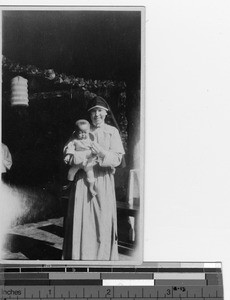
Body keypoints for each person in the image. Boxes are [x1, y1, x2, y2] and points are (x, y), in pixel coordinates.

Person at [62, 96, 125, 260]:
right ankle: (79, 257)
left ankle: (101, 258)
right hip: (82, 180)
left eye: (100, 111)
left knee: (101, 218)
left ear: (105, 113)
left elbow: (117, 159)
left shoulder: (112, 132)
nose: (97, 115)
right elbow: (67, 155)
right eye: (93, 112)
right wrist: (80, 156)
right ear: (89, 115)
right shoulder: (80, 131)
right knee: (81, 216)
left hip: (102, 180)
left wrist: (103, 153)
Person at [64, 119, 97, 197]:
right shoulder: (74, 140)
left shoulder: (91, 139)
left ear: (89, 131)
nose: (83, 134)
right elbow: (70, 147)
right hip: (77, 160)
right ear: (76, 132)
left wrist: (94, 155)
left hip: (87, 160)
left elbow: (95, 147)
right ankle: (69, 183)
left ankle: (91, 188)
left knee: (90, 174)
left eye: (85, 132)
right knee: (71, 172)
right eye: (80, 132)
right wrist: (68, 155)